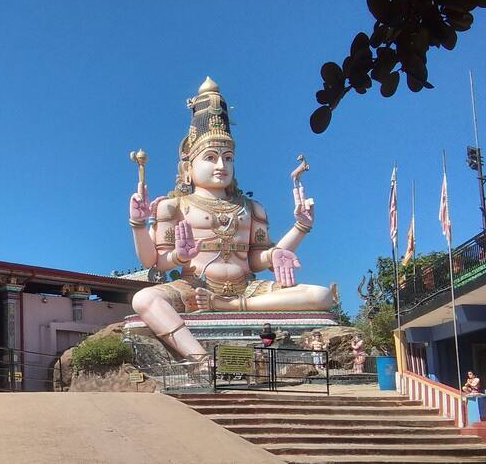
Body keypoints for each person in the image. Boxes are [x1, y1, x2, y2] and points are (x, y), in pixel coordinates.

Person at [127, 78, 336, 363]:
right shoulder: (174, 206)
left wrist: (299, 229)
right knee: (144, 300)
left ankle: (231, 305)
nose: (221, 166)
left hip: (248, 289)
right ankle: (201, 361)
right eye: (210, 158)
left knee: (321, 296)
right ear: (189, 168)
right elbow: (155, 262)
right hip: (194, 289)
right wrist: (142, 228)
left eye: (228, 158)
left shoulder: (251, 208)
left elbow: (255, 260)